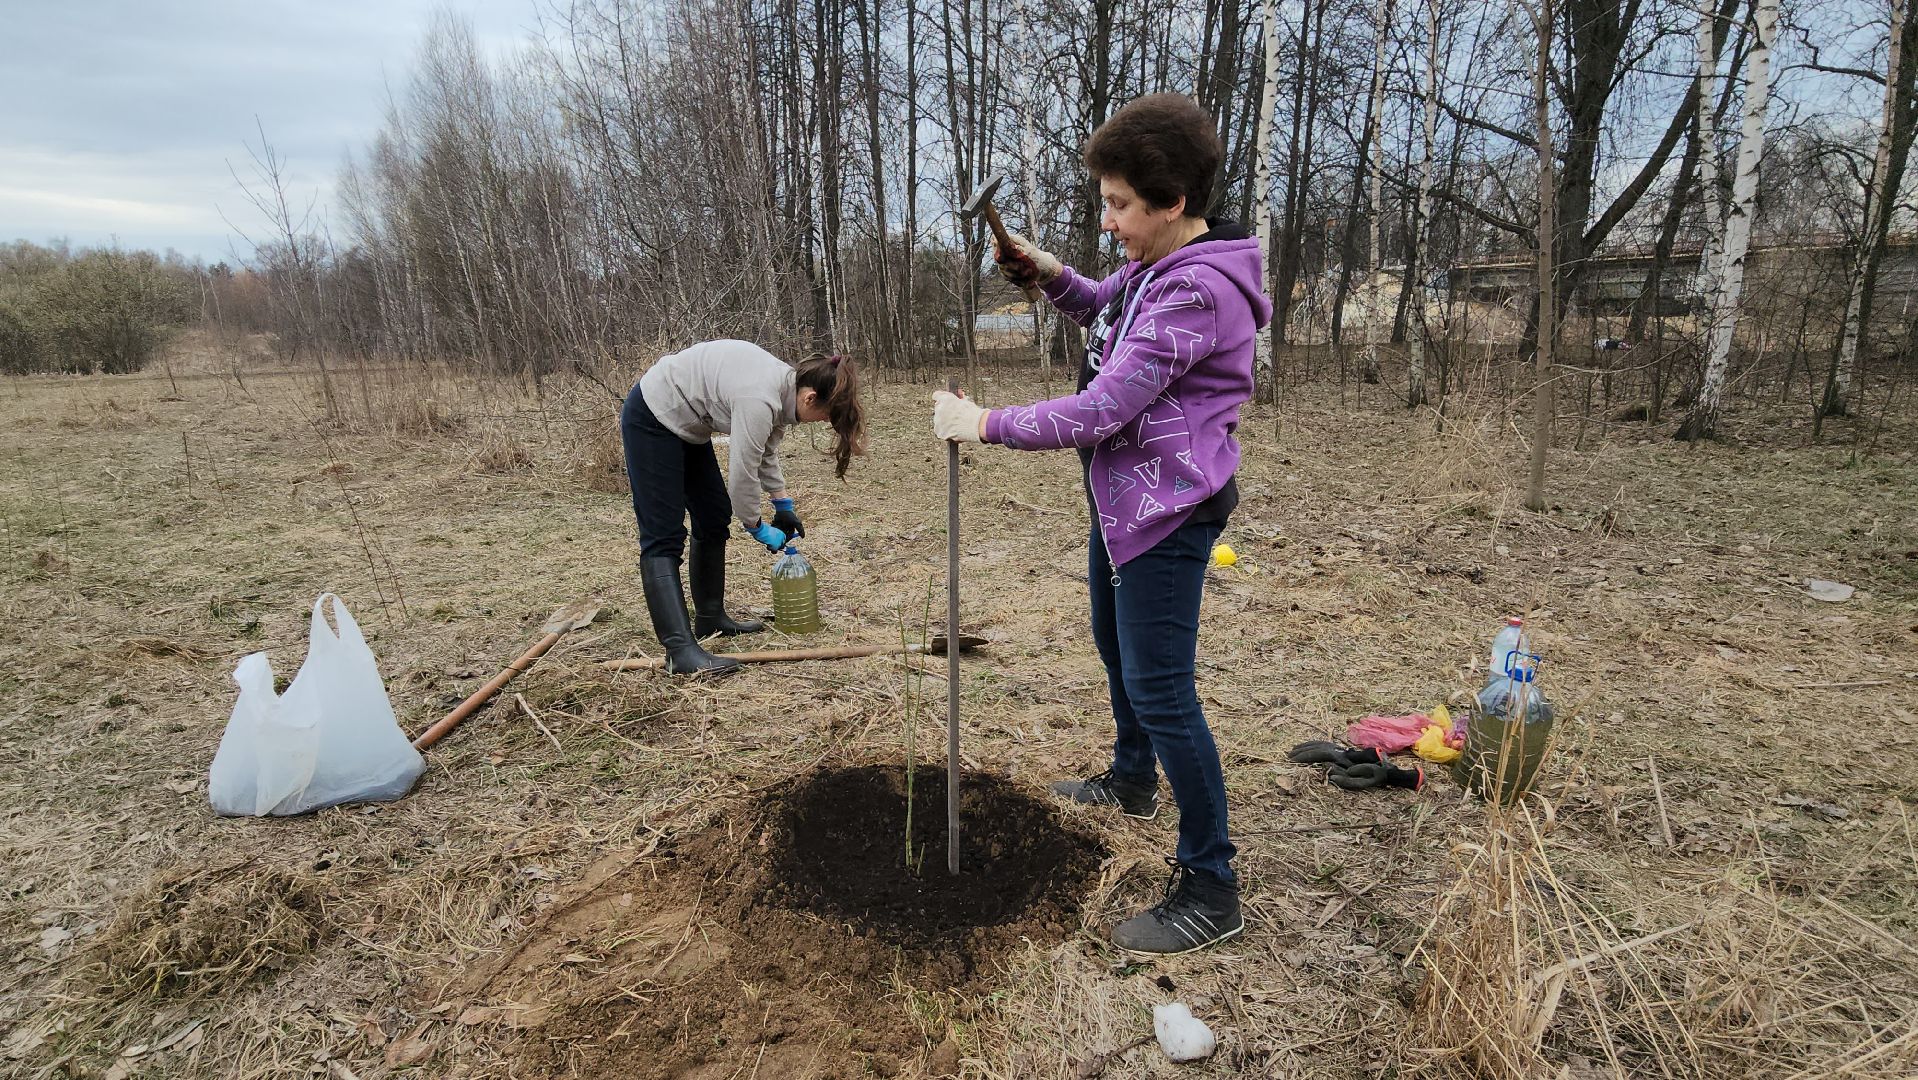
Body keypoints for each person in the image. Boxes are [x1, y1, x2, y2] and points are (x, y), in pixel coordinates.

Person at [931, 93, 1271, 954]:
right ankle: (1130, 780)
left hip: (1168, 512)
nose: (1108, 219)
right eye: (1106, 201)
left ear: (1173, 204)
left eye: (1120, 204)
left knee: (1163, 688)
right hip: (1124, 504)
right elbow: (1104, 307)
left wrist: (985, 425)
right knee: (1115, 649)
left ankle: (1211, 884)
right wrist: (1047, 274)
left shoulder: (1197, 290)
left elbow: (1101, 407)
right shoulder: (1156, 269)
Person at [622, 340, 863, 675]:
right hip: (653, 416)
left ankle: (709, 617)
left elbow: (766, 450)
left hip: (688, 424)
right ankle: (679, 651)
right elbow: (742, 474)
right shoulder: (759, 398)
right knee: (663, 534)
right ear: (810, 398)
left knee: (712, 514)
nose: (821, 422)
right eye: (825, 416)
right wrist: (756, 526)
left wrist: (783, 504)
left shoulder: (784, 387)